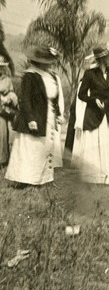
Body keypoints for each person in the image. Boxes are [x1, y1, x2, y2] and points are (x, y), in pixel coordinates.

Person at [5, 46, 62, 186]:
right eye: (47, 60)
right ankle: (27, 179)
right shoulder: (30, 75)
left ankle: (43, 179)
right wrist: (30, 119)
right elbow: (25, 100)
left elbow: (55, 98)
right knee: (32, 148)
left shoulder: (52, 76)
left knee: (45, 147)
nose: (50, 63)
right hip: (34, 117)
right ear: (39, 61)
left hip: (48, 116)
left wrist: (58, 114)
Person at [74, 44, 109, 185]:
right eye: (107, 57)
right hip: (94, 115)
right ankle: (92, 177)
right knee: (93, 145)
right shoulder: (90, 74)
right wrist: (94, 100)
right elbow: (82, 95)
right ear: (101, 59)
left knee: (108, 143)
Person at [0, 56, 17, 167]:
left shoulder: (6, 80)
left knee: (1, 132)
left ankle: (2, 160)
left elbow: (12, 95)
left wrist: (8, 98)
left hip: (1, 112)